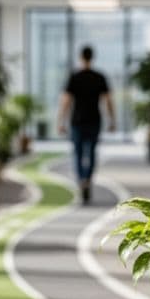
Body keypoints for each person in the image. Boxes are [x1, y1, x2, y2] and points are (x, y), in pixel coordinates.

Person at [57, 45, 115, 204]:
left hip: (77, 121)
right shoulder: (99, 77)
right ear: (92, 57)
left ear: (81, 57)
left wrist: (61, 121)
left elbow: (66, 101)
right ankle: (88, 179)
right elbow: (108, 100)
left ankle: (82, 179)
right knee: (91, 152)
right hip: (94, 120)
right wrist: (112, 120)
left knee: (78, 152)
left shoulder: (74, 77)